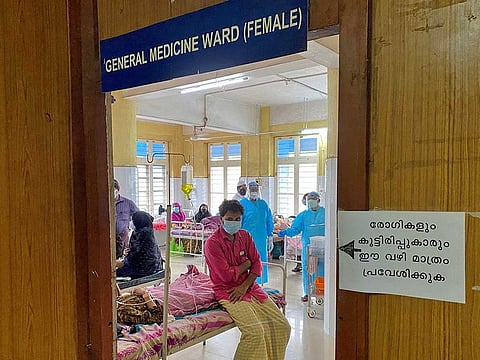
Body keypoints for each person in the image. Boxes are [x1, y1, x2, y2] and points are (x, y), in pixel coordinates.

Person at [204, 200, 291, 360]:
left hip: (250, 288)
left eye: (238, 219)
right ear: (221, 219)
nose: (234, 222)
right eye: (230, 219)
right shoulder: (212, 244)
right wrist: (247, 264)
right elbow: (226, 275)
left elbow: (257, 264)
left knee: (283, 326)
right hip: (227, 291)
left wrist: (244, 284)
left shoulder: (244, 236)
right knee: (255, 333)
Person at [278, 191, 325, 302]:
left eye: (313, 200)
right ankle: (308, 293)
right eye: (309, 200)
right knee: (308, 270)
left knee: (323, 270)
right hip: (308, 248)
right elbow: (295, 229)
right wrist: (284, 232)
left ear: (318, 200)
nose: (311, 202)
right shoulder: (303, 215)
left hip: (324, 248)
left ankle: (323, 291)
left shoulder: (326, 213)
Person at [239, 181, 274, 283]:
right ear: (248, 191)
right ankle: (246, 283)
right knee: (247, 260)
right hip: (246, 239)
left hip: (261, 239)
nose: (254, 192)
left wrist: (270, 235)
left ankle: (260, 282)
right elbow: (239, 222)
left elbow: (269, 221)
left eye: (255, 190)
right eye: (252, 190)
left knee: (261, 260)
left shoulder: (263, 204)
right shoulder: (242, 204)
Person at [116, 211, 163, 279]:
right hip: (153, 265)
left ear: (138, 221)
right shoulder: (145, 231)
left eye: (133, 220)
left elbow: (137, 255)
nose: (131, 221)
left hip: (145, 268)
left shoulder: (143, 233)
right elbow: (138, 250)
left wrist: (123, 262)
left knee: (113, 271)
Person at [114, 179, 139, 259]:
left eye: (113, 190)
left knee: (123, 259)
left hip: (123, 237)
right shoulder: (104, 203)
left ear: (118, 190)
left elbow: (138, 216)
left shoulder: (128, 203)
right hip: (108, 238)